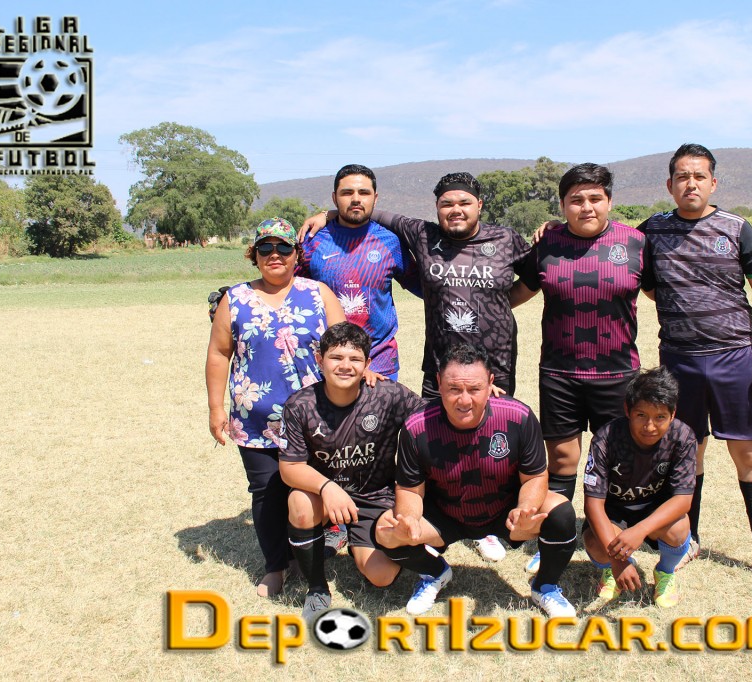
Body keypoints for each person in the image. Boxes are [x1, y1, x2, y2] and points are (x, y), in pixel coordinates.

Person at [302, 171, 532, 563]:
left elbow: (536, 274)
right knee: (434, 443)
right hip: (436, 363)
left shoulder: (505, 238)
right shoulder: (423, 235)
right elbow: (373, 214)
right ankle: (432, 518)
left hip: (491, 365)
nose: (455, 209)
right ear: (436, 207)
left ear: (479, 205)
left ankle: (485, 526)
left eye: (464, 202)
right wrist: (329, 214)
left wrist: (497, 300)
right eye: (446, 203)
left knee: (487, 446)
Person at [637, 143, 752, 591]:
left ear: (713, 183)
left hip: (735, 358)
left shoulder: (736, 228)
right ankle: (689, 540)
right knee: (689, 451)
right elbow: (630, 266)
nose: (691, 184)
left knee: (748, 453)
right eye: (682, 177)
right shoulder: (652, 231)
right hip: (679, 362)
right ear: (670, 185)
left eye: (699, 176)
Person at [513, 163, 654, 574]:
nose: (586, 207)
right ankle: (555, 536)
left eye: (595, 198)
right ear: (562, 205)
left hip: (618, 373)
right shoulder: (547, 243)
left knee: (615, 461)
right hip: (560, 373)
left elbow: (662, 295)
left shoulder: (636, 243)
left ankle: (606, 534)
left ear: (609, 201)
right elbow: (517, 292)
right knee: (561, 460)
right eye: (576, 199)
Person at [374, 343, 578, 617]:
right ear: (438, 383)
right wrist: (408, 521)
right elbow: (410, 490)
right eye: (454, 389)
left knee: (561, 513)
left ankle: (545, 586)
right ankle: (434, 572)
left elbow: (535, 476)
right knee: (385, 531)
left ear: (490, 383)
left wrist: (525, 509)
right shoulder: (416, 426)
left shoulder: (518, 416)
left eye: (474, 389)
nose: (464, 400)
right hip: (444, 514)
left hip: (503, 511)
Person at [205, 217, 345, 598]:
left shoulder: (318, 294)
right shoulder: (235, 299)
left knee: (308, 491)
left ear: (296, 254)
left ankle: (308, 558)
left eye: (283, 247)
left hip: (314, 417)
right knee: (266, 492)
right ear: (254, 255)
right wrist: (216, 408)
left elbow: (344, 346)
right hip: (255, 418)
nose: (275, 255)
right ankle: (275, 566)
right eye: (265, 248)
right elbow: (219, 354)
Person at [277, 322, 426, 621]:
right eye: (336, 357)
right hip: (325, 497)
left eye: (355, 359)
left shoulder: (387, 395)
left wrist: (484, 398)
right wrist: (328, 488)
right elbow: (290, 468)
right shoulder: (300, 405)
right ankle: (317, 588)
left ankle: (358, 539)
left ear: (368, 363)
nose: (345, 366)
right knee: (299, 503)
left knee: (381, 576)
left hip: (375, 496)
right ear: (319, 360)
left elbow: (433, 418)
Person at [582, 366, 695, 608]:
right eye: (641, 415)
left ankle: (665, 571)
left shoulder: (683, 437)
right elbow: (592, 505)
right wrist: (617, 560)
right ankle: (610, 570)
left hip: (655, 512)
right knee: (595, 543)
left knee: (679, 528)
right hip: (615, 514)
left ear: (673, 414)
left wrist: (640, 530)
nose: (650, 426)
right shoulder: (606, 438)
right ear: (627, 410)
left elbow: (683, 500)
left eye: (660, 417)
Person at [296, 164, 419, 382]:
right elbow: (288, 293)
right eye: (347, 193)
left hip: (380, 362)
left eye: (364, 192)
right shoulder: (313, 242)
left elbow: (425, 287)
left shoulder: (390, 242)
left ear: (375, 198)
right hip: (330, 363)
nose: (356, 199)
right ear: (334, 198)